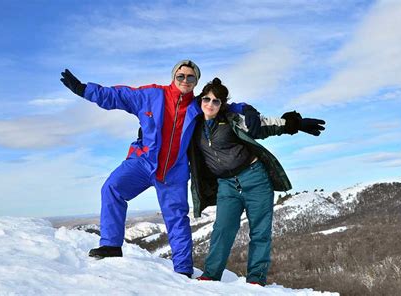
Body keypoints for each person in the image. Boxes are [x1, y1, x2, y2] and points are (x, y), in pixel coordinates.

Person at [59, 61, 261, 278]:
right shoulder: (152, 95)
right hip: (144, 161)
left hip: (174, 171)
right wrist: (84, 89)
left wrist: (246, 109)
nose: (185, 80)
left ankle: (182, 269)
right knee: (111, 188)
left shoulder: (197, 106)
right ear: (173, 77)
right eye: (181, 76)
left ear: (196, 82)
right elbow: (118, 96)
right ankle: (110, 245)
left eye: (190, 77)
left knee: (176, 218)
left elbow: (225, 107)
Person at [188, 78, 325, 286]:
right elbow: (170, 129)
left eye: (216, 101)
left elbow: (264, 126)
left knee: (260, 232)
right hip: (226, 185)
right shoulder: (193, 126)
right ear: (201, 100)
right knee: (222, 230)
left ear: (222, 104)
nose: (210, 104)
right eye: (207, 99)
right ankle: (210, 275)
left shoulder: (233, 119)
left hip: (255, 178)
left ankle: (256, 280)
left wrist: (294, 124)